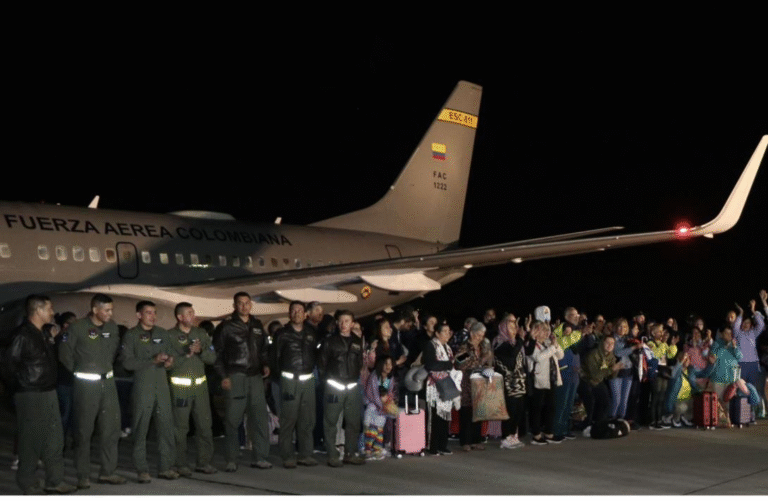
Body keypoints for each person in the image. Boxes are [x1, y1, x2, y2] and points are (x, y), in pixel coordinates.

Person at [5, 295, 77, 494]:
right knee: (31, 441)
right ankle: (27, 483)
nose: (52, 313)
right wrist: (20, 389)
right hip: (31, 394)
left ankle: (54, 481)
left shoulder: (42, 334)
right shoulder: (23, 335)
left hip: (48, 392)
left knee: (55, 438)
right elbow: (9, 366)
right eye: (49, 309)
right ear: (38, 311)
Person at [58, 293, 126, 489]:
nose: (110, 313)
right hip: (86, 386)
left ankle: (107, 472)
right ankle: (83, 475)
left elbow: (113, 352)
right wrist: (79, 370)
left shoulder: (112, 328)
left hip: (109, 385)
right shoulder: (77, 327)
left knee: (111, 431)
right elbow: (64, 354)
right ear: (95, 310)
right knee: (83, 432)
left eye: (111, 310)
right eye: (106, 310)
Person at [120, 300, 178, 483]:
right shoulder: (131, 335)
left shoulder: (162, 333)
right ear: (139, 315)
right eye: (148, 313)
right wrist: (151, 360)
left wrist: (169, 362)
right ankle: (142, 469)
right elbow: (127, 363)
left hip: (161, 386)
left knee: (166, 428)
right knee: (141, 428)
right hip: (143, 387)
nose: (153, 316)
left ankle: (165, 467)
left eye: (154, 313)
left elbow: (170, 356)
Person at [213, 292, 272, 472]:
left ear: (251, 304)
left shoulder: (256, 325)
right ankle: (231, 459)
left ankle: (260, 457)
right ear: (234, 305)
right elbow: (217, 354)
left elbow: (263, 349)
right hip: (235, 376)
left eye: (247, 303)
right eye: (240, 303)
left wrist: (265, 364)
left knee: (260, 419)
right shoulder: (226, 326)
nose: (244, 306)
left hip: (255, 377)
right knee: (232, 420)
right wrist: (223, 376)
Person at [166, 302, 218, 476]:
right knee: (180, 428)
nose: (193, 315)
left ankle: (204, 462)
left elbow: (212, 358)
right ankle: (180, 463)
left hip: (200, 389)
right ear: (180, 317)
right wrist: (185, 354)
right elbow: (167, 365)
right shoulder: (170, 336)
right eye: (189, 313)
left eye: (193, 312)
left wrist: (201, 350)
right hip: (180, 389)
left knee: (205, 426)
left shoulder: (200, 334)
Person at [275, 301, 319, 468]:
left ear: (305, 314)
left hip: (307, 379)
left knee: (308, 420)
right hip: (289, 380)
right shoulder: (282, 333)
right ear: (289, 314)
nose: (297, 314)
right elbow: (275, 357)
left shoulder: (311, 333)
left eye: (300, 311)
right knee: (288, 419)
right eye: (293, 311)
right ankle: (287, 456)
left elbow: (315, 353)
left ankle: (305, 455)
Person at [319, 310, 365, 467]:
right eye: (341, 321)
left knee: (353, 422)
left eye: (347, 320)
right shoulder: (329, 341)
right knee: (330, 421)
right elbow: (322, 364)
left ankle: (350, 453)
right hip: (334, 386)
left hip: (352, 386)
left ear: (352, 323)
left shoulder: (358, 342)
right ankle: (332, 454)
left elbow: (359, 363)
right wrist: (327, 382)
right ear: (337, 323)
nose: (344, 324)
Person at [493, 314, 533, 449]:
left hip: (519, 382)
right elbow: (511, 356)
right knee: (509, 410)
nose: (514, 329)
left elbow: (529, 351)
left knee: (519, 410)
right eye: (511, 326)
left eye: (515, 326)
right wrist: (521, 338)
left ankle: (512, 435)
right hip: (507, 383)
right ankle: (505, 437)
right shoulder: (500, 343)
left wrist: (530, 334)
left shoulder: (516, 343)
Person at [454, 321, 494, 451]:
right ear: (471, 333)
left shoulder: (483, 347)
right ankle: (466, 441)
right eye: (477, 335)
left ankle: (477, 440)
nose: (480, 338)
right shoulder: (465, 347)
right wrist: (478, 361)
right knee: (466, 412)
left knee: (478, 412)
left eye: (482, 335)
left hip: (480, 383)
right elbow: (459, 363)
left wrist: (487, 362)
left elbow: (488, 363)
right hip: (467, 383)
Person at [424, 321, 460, 455]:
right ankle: (432, 446)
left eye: (449, 331)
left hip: (447, 383)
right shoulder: (431, 345)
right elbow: (431, 364)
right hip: (434, 385)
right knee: (435, 417)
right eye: (444, 331)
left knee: (445, 417)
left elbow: (452, 363)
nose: (447, 334)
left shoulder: (448, 347)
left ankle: (442, 445)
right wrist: (447, 365)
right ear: (437, 333)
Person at [527, 321, 564, 445]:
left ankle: (549, 433)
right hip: (539, 380)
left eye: (548, 330)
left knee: (551, 406)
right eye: (543, 330)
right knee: (537, 407)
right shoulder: (532, 344)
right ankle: (536, 435)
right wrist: (552, 348)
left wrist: (555, 345)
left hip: (551, 379)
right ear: (536, 331)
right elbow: (537, 357)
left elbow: (560, 356)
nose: (547, 332)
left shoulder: (548, 343)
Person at [581, 335, 622, 427]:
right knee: (591, 401)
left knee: (606, 401)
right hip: (586, 380)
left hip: (598, 381)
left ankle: (599, 423)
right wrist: (612, 369)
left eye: (612, 343)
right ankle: (587, 424)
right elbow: (594, 375)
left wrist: (616, 369)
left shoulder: (611, 356)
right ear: (602, 343)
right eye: (607, 343)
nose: (610, 345)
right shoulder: (594, 354)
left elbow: (610, 377)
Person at [363, 355, 398, 460]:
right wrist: (383, 406)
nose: (388, 366)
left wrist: (389, 403)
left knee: (379, 428)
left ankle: (377, 449)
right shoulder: (374, 376)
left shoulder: (390, 378)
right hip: (372, 404)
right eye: (386, 364)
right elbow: (373, 395)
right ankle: (368, 449)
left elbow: (389, 393)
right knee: (372, 427)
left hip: (382, 406)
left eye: (390, 364)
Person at [647, 323, 678, 429]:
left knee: (661, 397)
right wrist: (663, 344)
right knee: (655, 396)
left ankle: (659, 420)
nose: (661, 334)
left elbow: (670, 355)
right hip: (656, 371)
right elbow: (655, 354)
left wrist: (673, 345)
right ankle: (652, 421)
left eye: (662, 331)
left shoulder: (662, 343)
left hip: (664, 371)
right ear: (653, 333)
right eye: (659, 332)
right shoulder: (650, 343)